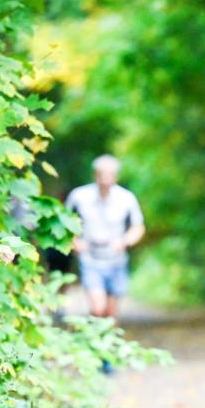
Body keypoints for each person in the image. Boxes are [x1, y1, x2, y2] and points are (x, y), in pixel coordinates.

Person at [66, 155, 145, 369]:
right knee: (97, 307)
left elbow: (138, 227)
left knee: (111, 312)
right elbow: (64, 223)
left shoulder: (126, 198)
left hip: (116, 260)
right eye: (102, 175)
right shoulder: (79, 196)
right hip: (90, 258)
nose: (106, 180)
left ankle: (107, 354)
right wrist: (75, 243)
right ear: (95, 175)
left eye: (110, 175)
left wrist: (125, 242)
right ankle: (94, 347)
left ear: (116, 176)